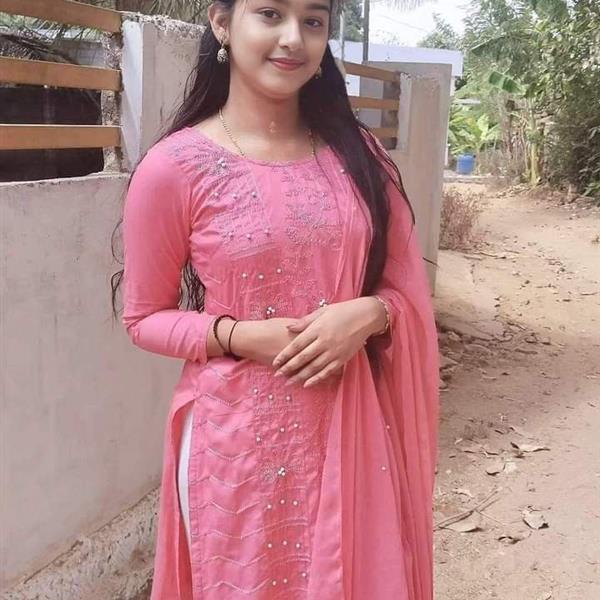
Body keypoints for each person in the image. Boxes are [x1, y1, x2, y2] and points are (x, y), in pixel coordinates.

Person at [114, 0, 439, 597]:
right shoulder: (174, 168)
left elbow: (403, 289)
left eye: (313, 21)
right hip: (236, 447)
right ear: (221, 23)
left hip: (351, 430)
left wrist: (371, 313)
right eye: (270, 14)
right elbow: (143, 317)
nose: (293, 38)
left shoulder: (359, 157)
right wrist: (239, 335)